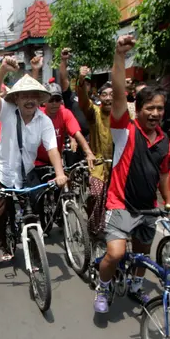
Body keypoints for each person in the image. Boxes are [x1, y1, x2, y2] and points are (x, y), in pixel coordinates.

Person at [94, 35, 170, 313]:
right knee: (116, 253)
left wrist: (169, 202)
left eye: (159, 108)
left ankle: (137, 287)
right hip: (119, 205)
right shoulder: (124, 130)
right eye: (149, 108)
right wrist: (119, 55)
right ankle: (102, 287)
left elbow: (164, 174)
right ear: (137, 110)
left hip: (148, 208)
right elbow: (117, 93)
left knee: (142, 254)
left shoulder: (164, 139)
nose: (155, 113)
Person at [0, 56, 68, 274]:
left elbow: (52, 149)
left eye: (34, 96)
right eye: (25, 96)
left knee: (35, 209)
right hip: (2, 173)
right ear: (17, 98)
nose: (29, 100)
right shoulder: (7, 112)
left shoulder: (44, 121)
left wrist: (60, 174)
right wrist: (3, 69)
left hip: (26, 175)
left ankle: (35, 247)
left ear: (40, 99)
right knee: (0, 214)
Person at [29, 55, 94, 170]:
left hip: (55, 162)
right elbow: (31, 95)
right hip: (35, 163)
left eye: (57, 100)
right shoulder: (38, 114)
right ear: (44, 102)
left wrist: (88, 152)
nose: (54, 103)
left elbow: (77, 133)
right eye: (51, 100)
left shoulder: (65, 113)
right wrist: (35, 70)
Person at [77, 64, 114, 238]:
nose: (108, 98)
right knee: (96, 194)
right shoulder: (95, 113)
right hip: (99, 164)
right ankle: (92, 230)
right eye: (104, 95)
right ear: (99, 97)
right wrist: (81, 81)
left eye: (112, 95)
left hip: (119, 166)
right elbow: (83, 102)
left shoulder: (123, 115)